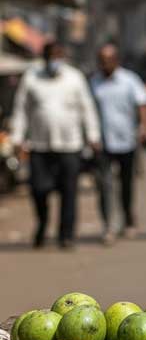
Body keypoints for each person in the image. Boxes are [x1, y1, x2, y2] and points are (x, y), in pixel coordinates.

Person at [10, 40, 101, 249]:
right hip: (40, 145)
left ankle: (66, 235)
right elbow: (21, 110)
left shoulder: (75, 78)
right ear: (44, 58)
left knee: (69, 192)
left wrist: (93, 136)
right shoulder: (31, 78)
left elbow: (87, 108)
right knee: (39, 189)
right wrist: (17, 138)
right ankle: (42, 225)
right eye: (51, 57)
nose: (54, 61)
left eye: (58, 56)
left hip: (70, 145)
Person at [89, 43, 146, 243]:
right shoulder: (94, 83)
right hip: (102, 142)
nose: (105, 64)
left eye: (108, 60)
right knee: (104, 185)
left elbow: (142, 104)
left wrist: (144, 127)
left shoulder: (130, 80)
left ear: (116, 60)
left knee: (126, 184)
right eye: (102, 60)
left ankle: (128, 220)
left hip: (127, 141)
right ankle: (108, 225)